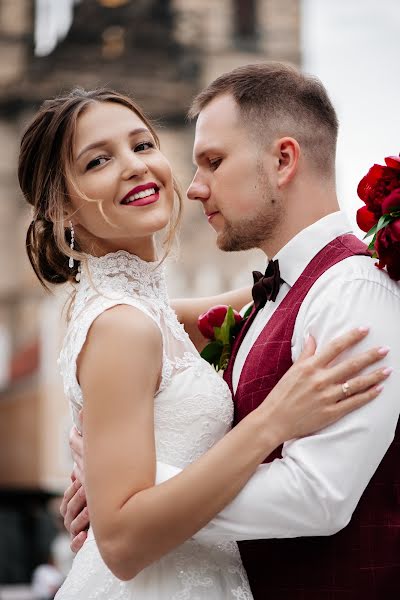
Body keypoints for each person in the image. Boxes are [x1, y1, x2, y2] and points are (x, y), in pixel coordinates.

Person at [19, 86, 390, 599]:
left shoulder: (152, 314)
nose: (133, 166)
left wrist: (380, 257)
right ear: (63, 209)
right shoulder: (123, 325)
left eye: (143, 145)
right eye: (98, 160)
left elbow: (291, 287)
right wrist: (270, 423)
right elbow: (123, 539)